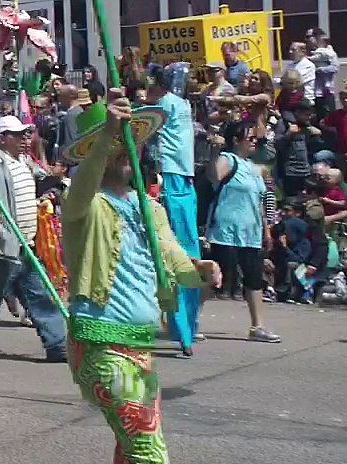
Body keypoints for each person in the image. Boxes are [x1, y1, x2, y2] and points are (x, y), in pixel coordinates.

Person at [60, 88, 220, 464]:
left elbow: (176, 260)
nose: (124, 149)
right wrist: (106, 136)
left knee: (131, 451)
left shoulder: (150, 207)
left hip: (141, 346)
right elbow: (83, 188)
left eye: (129, 141)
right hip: (100, 346)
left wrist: (202, 272)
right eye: (114, 142)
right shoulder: (85, 203)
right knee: (148, 451)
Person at [0, 115, 67, 363]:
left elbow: (43, 181)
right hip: (1, 244)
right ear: (3, 138)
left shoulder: (26, 161)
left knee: (40, 293)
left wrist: (54, 184)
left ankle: (57, 344)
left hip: (27, 242)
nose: (24, 140)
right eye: (18, 135)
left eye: (26, 135)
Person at [206, 120, 282, 343]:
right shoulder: (227, 160)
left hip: (250, 232)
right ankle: (189, 320)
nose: (254, 143)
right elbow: (213, 177)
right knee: (215, 276)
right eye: (250, 138)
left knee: (254, 279)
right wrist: (214, 151)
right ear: (236, 140)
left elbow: (259, 202)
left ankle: (258, 326)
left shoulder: (252, 167)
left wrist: (266, 231)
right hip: (226, 229)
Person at [145, 68, 203, 355]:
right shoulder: (180, 105)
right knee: (185, 253)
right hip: (179, 179)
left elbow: (144, 131)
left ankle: (184, 328)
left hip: (170, 179)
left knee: (174, 253)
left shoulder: (166, 105)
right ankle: (185, 329)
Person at [308, 28, 340, 117]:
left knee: (328, 120)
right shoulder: (308, 53)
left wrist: (319, 70)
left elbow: (335, 67)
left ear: (317, 37)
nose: (306, 40)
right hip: (312, 94)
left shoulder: (329, 52)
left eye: (308, 37)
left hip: (326, 92)